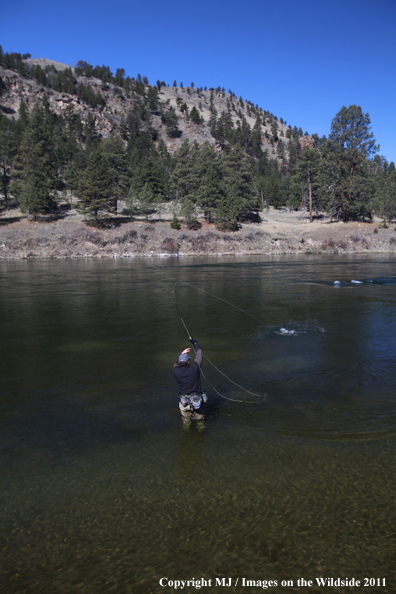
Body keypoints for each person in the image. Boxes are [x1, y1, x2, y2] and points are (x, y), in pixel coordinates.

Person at [173, 336, 207, 420]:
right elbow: (199, 354)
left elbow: (176, 363)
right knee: (200, 421)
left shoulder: (176, 372)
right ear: (188, 362)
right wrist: (195, 343)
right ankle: (199, 430)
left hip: (184, 402)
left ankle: (187, 430)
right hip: (197, 401)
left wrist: (182, 354)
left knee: (186, 420)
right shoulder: (194, 369)